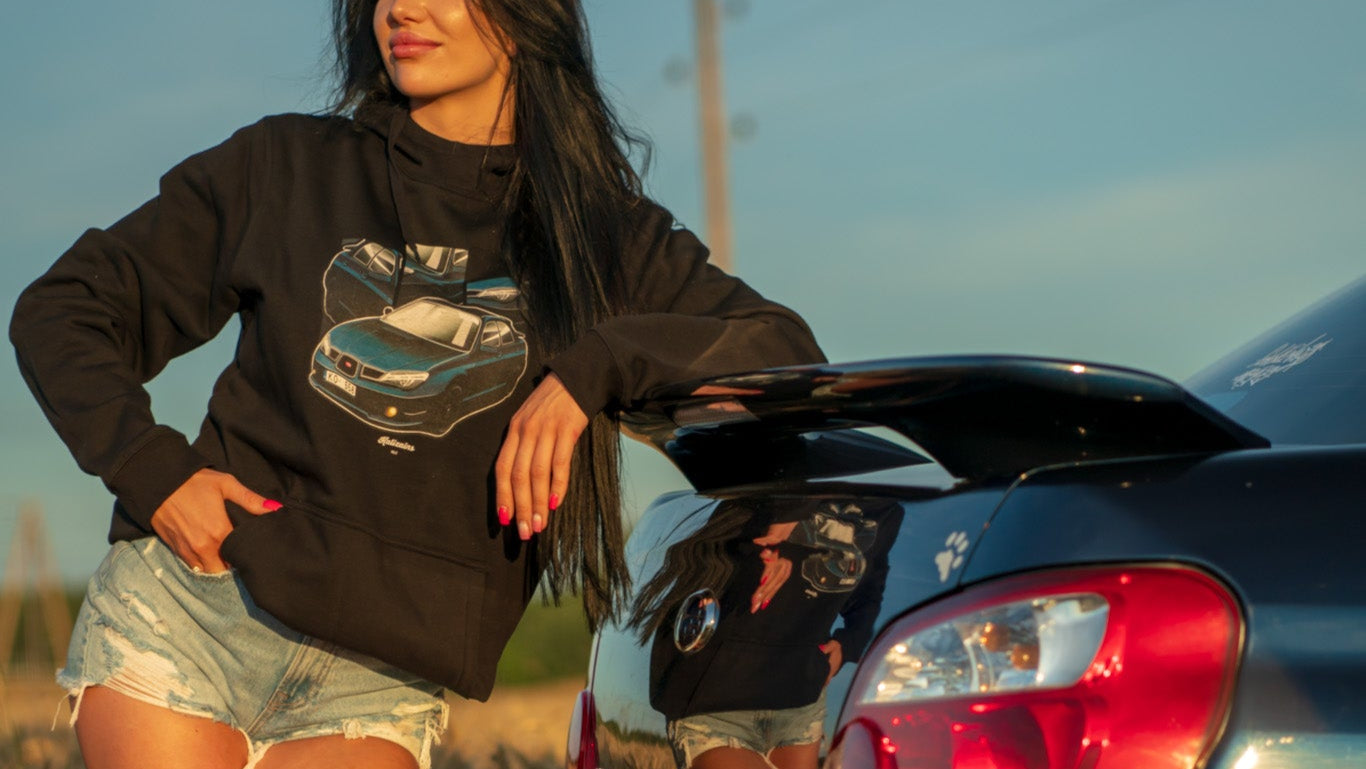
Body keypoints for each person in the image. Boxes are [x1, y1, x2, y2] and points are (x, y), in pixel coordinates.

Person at [7, 1, 824, 767]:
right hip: (190, 610)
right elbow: (65, 308)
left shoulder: (601, 236)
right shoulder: (286, 166)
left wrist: (593, 369)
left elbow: (781, 350)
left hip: (378, 683)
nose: (401, 8)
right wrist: (158, 473)